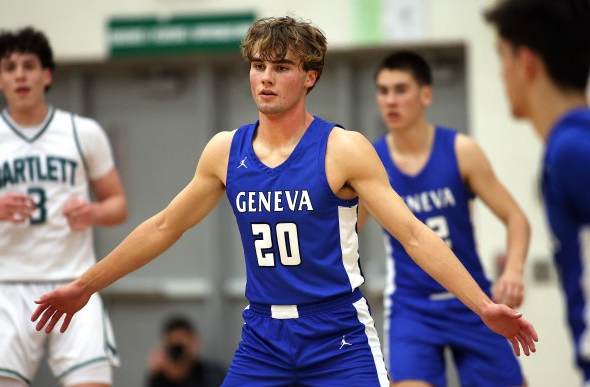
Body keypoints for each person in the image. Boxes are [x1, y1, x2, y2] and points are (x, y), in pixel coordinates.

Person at [31, 16, 538, 387]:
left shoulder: (343, 148)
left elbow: (413, 234)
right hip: (264, 336)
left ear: (310, 76)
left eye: (280, 66)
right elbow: (164, 226)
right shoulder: (225, 150)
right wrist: (83, 286)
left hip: (337, 332)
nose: (266, 77)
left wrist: (483, 305)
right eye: (257, 66)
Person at [358, 50, 531, 387]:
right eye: (383, 90)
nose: (390, 100)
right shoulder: (370, 162)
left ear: (426, 94)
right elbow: (344, 237)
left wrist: (514, 269)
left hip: (472, 302)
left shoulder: (461, 151)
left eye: (400, 89)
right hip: (413, 309)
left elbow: (516, 218)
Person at [0, 27, 128, 387]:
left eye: (29, 65)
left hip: (74, 281)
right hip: (7, 286)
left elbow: (118, 206)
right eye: (10, 68)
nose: (20, 75)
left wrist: (92, 212)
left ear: (47, 74)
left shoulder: (82, 132)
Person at [484, 0, 590, 384]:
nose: (501, 74)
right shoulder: (565, 148)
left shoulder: (573, 151)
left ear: (525, 63)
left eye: (501, 57)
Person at [146, 315, 227, 387]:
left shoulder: (212, 375)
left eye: (181, 346)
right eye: (173, 347)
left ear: (195, 342)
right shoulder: (161, 377)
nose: (178, 352)